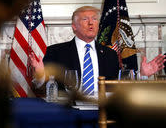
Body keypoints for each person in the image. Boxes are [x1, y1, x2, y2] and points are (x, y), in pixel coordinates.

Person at [29, 6, 166, 94]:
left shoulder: (110, 54)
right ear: (74, 27)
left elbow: (118, 87)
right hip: (68, 112)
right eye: (85, 19)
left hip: (103, 111)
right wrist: (40, 75)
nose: (91, 23)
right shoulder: (56, 51)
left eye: (94, 19)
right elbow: (42, 88)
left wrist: (142, 74)